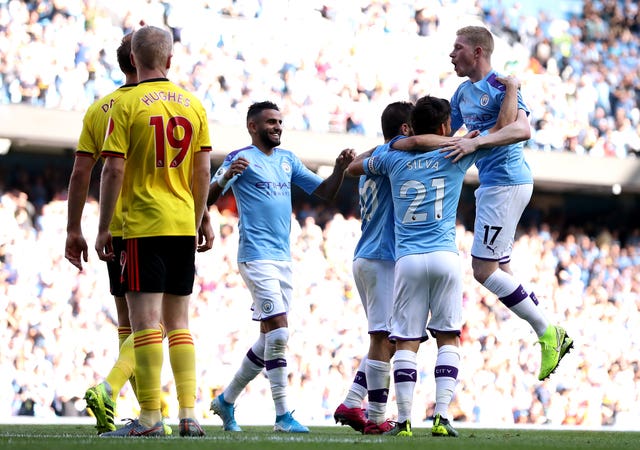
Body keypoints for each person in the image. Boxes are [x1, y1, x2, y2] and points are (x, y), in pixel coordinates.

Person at [349, 77, 526, 438]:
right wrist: (511, 89)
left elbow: (353, 167)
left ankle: (402, 421)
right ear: (446, 126)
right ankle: (442, 417)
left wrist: (403, 143)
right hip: (445, 257)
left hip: (407, 260)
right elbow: (505, 127)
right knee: (448, 337)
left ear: (413, 127)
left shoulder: (392, 157)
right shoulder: (457, 152)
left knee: (407, 341)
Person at [207, 101, 355, 434]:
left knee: (269, 338)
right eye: (270, 122)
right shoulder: (239, 158)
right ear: (252, 127)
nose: (277, 127)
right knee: (281, 331)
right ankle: (283, 415)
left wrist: (339, 169)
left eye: (279, 122)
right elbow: (207, 198)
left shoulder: (288, 160)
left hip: (283, 259)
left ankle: (227, 401)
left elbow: (326, 193)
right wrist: (226, 177)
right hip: (255, 257)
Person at [95, 25, 211, 438]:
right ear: (169, 60)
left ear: (133, 60)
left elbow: (112, 168)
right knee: (179, 324)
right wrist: (201, 218)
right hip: (182, 223)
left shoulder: (126, 105)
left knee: (144, 324)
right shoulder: (193, 104)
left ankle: (148, 419)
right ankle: (189, 414)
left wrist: (106, 226)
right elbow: (202, 170)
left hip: (143, 224)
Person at [445, 25, 573, 381]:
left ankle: (549, 332)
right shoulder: (461, 93)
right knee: (500, 268)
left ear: (478, 52)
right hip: (492, 184)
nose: (451, 54)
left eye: (458, 48)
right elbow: (446, 133)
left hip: (506, 182)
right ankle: (546, 332)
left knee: (483, 271)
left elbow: (520, 130)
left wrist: (476, 143)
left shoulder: (503, 85)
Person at [64, 31, 138, 435]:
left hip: (113, 230)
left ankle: (150, 414)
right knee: (156, 325)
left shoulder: (99, 108)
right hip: (151, 225)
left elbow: (80, 172)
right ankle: (109, 390)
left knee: (128, 324)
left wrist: (75, 228)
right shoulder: (159, 104)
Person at [333, 101, 414, 435]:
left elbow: (356, 162)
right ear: (406, 130)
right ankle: (377, 418)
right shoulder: (394, 159)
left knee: (390, 341)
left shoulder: (375, 159)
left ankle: (353, 401)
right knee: (383, 336)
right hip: (381, 256)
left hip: (369, 255)